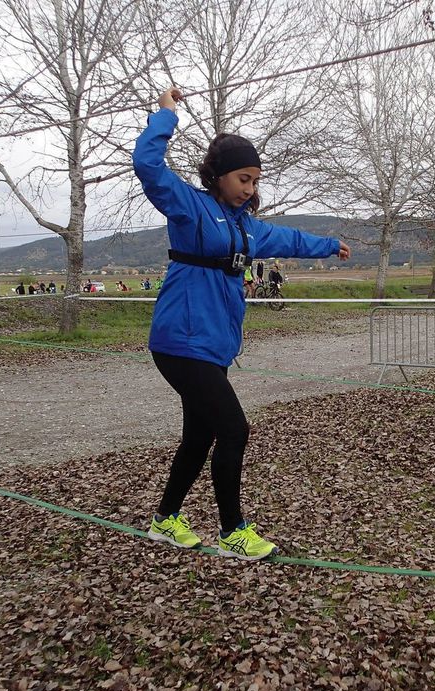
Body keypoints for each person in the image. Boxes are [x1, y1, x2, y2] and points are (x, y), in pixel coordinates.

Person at [134, 86, 351, 561]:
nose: (250, 188)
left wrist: (329, 245)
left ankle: (165, 519)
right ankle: (233, 530)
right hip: (180, 340)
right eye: (243, 178)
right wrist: (165, 116)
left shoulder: (249, 227)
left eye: (255, 180)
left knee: (201, 433)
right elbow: (149, 167)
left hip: (213, 344)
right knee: (233, 428)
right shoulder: (189, 207)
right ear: (218, 175)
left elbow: (291, 238)